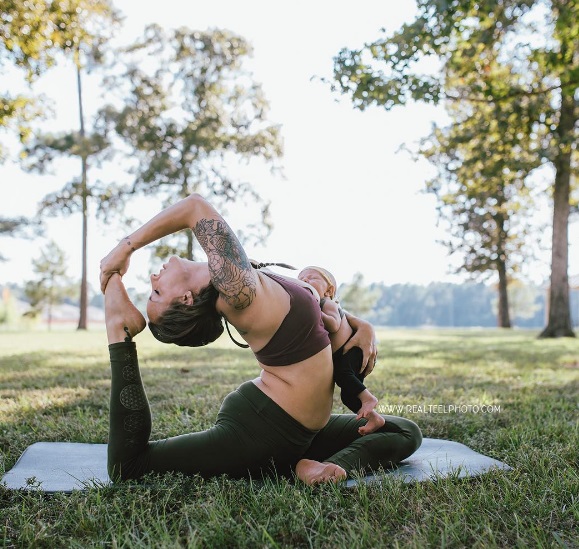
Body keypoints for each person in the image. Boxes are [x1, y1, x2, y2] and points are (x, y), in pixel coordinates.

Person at [100, 193, 422, 485]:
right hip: (261, 429)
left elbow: (316, 313)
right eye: (156, 291)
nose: (153, 277)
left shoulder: (237, 278)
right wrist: (123, 250)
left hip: (299, 431)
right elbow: (194, 206)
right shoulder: (237, 291)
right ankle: (120, 327)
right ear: (186, 298)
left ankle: (305, 464)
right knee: (130, 465)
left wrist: (362, 325)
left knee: (404, 431)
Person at [298, 266, 386, 436]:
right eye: (300, 279)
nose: (305, 281)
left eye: (311, 278)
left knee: (344, 375)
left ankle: (369, 398)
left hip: (351, 349)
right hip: (341, 355)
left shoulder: (327, 304)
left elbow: (333, 324)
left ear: (329, 290)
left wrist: (315, 311)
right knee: (348, 395)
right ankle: (374, 418)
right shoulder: (316, 306)